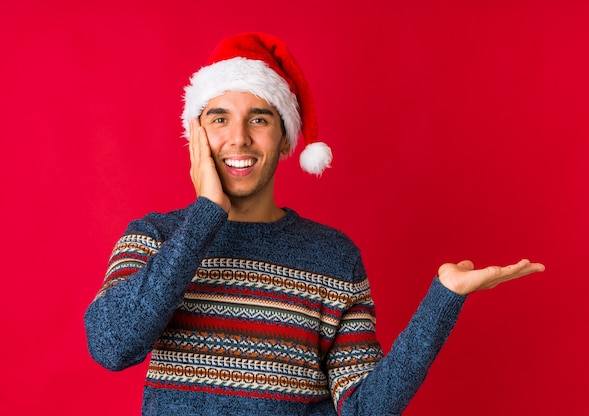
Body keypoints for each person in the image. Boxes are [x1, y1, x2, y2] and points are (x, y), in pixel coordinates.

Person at [84, 32, 544, 416]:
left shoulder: (333, 257)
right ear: (196, 134)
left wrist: (445, 298)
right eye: (219, 117)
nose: (238, 137)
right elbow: (111, 345)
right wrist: (207, 211)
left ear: (284, 137)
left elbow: (365, 408)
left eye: (258, 118)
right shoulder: (154, 237)